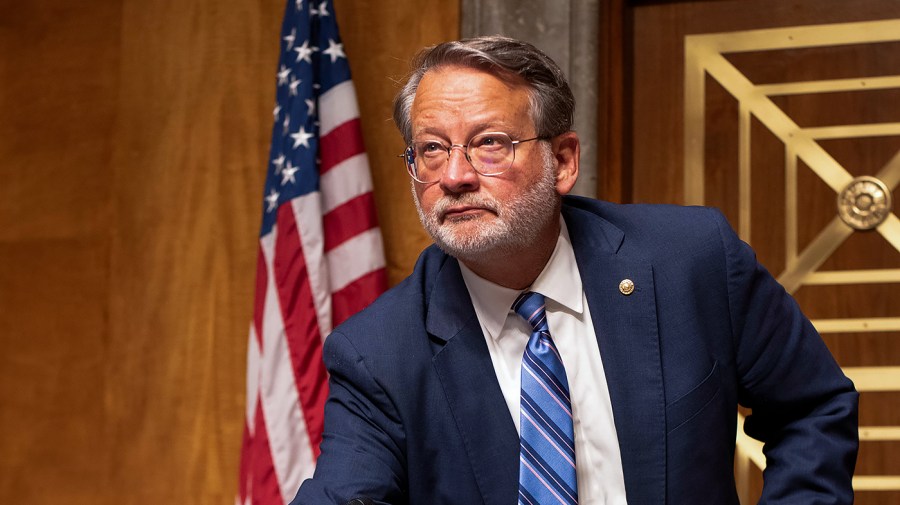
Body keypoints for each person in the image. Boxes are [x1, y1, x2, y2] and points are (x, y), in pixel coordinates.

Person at [291, 36, 858, 504]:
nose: (455, 175)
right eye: (432, 149)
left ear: (562, 161)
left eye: (489, 144)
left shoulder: (692, 261)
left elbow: (812, 409)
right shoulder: (378, 354)